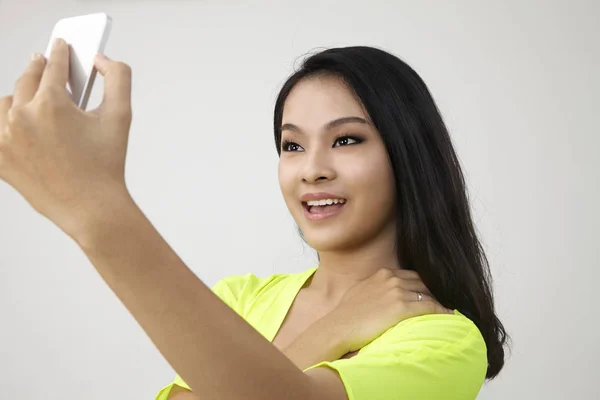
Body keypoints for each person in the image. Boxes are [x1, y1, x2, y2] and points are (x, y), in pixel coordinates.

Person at [0, 42, 507, 400]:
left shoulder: (444, 341)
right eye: (292, 145)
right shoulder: (242, 297)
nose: (313, 169)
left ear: (408, 155)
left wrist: (97, 210)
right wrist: (334, 330)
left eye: (346, 139)